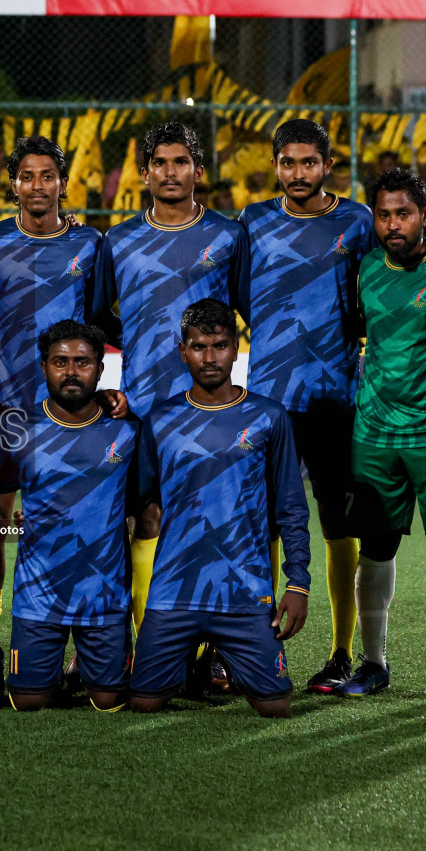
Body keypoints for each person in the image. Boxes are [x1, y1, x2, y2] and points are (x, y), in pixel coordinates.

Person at [93, 122, 248, 629]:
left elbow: (248, 308)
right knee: (143, 518)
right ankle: (141, 643)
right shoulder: (118, 239)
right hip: (142, 404)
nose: (170, 172)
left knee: (213, 522)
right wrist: (140, 333)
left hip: (210, 407)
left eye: (180, 162)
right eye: (159, 163)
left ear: (198, 171)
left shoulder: (228, 235)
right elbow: (97, 316)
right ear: (143, 173)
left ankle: (216, 648)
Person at [238, 118, 374, 694]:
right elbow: (241, 295)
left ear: (328, 166)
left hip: (335, 397)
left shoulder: (357, 220)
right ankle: (259, 647)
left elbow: (370, 297)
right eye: (288, 163)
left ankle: (342, 653)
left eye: (308, 163)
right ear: (275, 165)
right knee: (263, 521)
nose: (298, 173)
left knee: (338, 522)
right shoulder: (255, 220)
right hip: (270, 399)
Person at [129, 299, 310, 717]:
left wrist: (297, 583)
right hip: (174, 591)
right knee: (143, 702)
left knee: (275, 706)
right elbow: (132, 500)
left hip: (244, 593)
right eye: (198, 347)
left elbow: (291, 508)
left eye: (221, 346)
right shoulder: (160, 419)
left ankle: (220, 656)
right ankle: (191, 668)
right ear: (182, 350)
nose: (209, 358)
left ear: (236, 349)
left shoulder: (269, 416)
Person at [342, 168, 426, 698]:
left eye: (403, 213)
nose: (392, 224)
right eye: (383, 214)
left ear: (424, 215)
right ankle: (372, 663)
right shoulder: (365, 268)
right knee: (374, 549)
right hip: (373, 433)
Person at [0, 136, 102, 618]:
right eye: (27, 176)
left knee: (66, 522)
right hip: (3, 410)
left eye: (48, 175)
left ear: (63, 183)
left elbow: (99, 319)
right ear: (14, 184)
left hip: (67, 413)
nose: (37, 185)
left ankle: (69, 630)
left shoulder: (89, 243)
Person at [0, 320, 148, 712]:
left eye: (82, 362)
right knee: (27, 702)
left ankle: (85, 666)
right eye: (60, 361)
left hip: (103, 595)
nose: (71, 372)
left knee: (110, 702)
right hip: (38, 594)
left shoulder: (129, 430)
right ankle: (55, 670)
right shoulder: (19, 429)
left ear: (100, 368)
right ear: (44, 366)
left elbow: (144, 506)